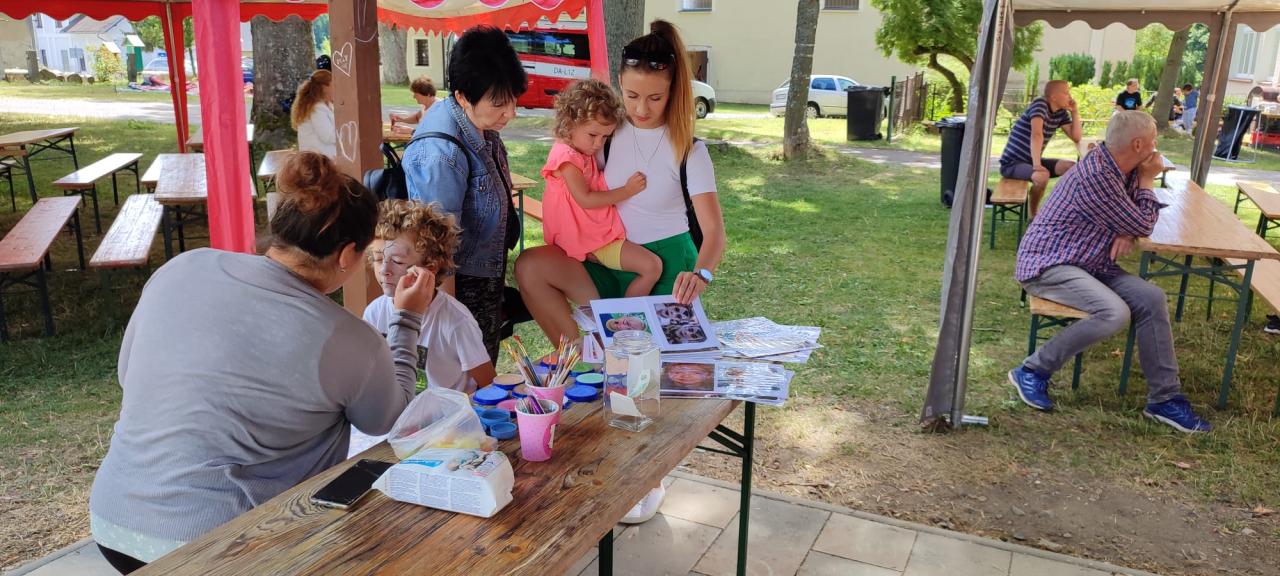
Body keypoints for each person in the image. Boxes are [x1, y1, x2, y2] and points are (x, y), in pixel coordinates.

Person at [87, 152, 435, 574]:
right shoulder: (347, 338)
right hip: (223, 544)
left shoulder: (183, 266)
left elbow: (129, 374)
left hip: (114, 521)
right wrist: (407, 318)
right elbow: (388, 418)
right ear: (347, 255)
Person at [515, 19, 726, 523]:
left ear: (674, 92)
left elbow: (715, 233)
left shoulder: (690, 149)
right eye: (631, 96)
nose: (641, 109)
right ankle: (583, 366)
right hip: (606, 255)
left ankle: (647, 474)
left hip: (667, 264)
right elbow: (572, 176)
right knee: (530, 266)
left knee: (643, 380)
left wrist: (702, 274)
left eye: (654, 98)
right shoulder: (606, 132)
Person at [1008, 111, 1212, 434]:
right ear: (1138, 144)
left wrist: (1127, 230)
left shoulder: (1123, 167)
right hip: (1048, 264)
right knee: (1114, 313)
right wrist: (1144, 190)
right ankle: (1032, 370)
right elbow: (1143, 221)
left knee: (1152, 298)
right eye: (1154, 140)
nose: (1158, 146)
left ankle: (1164, 399)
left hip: (1091, 262)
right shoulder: (1098, 175)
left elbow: (1136, 219)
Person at [402, 26, 528, 364]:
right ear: (461, 96)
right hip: (460, 288)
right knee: (467, 381)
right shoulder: (440, 153)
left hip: (482, 279)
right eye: (499, 104)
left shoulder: (478, 123)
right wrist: (450, 318)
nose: (511, 113)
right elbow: (439, 248)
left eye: (513, 100)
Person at [542, 79, 661, 297]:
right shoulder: (567, 158)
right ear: (569, 124)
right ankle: (627, 314)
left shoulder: (580, 151)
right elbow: (585, 199)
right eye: (593, 135)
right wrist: (627, 191)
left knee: (651, 266)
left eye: (605, 136)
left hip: (595, 237)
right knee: (652, 267)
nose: (598, 144)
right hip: (593, 240)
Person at [365, 199, 496, 393]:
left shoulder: (456, 321)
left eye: (398, 261)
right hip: (400, 409)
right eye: (378, 259)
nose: (384, 270)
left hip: (448, 411)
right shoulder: (374, 313)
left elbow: (490, 385)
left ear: (431, 267)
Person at [998, 79, 1082, 217]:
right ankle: (1034, 216)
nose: (1070, 97)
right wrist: (1037, 165)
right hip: (1012, 163)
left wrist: (1075, 111)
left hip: (1031, 160)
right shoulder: (1040, 104)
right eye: (1066, 93)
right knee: (1042, 176)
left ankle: (1061, 209)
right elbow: (1036, 134)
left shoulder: (1060, 113)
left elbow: (1076, 137)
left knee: (1071, 167)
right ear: (1053, 97)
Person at [293, 69, 335, 158]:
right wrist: (349, 134)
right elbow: (328, 137)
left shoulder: (327, 105)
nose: (336, 88)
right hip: (317, 160)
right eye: (333, 85)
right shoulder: (317, 108)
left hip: (324, 157)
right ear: (324, 88)